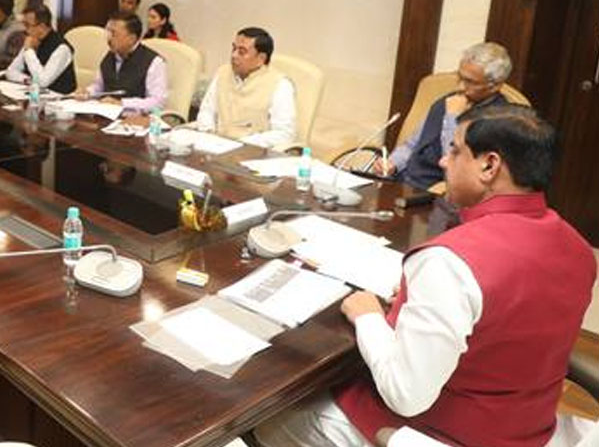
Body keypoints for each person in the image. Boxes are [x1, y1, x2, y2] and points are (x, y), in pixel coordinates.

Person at [254, 105, 596, 447]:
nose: (444, 161)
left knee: (268, 416)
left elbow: (405, 395)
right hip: (529, 429)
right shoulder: (579, 249)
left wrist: (368, 316)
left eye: (455, 150)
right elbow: (510, 322)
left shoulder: (450, 262)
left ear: (489, 165)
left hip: (445, 433)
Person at [375, 42, 513, 189]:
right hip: (402, 180)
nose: (460, 87)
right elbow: (412, 144)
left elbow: (458, 169)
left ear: (495, 85)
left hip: (434, 191)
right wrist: (392, 163)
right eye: (460, 77)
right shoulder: (448, 100)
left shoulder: (498, 119)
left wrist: (452, 118)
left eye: (470, 82)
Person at [195, 27, 296, 148]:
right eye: (234, 49)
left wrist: (241, 144)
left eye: (242, 52)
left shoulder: (280, 84)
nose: (234, 55)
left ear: (261, 59)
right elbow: (207, 111)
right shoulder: (223, 72)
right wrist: (208, 132)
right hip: (216, 146)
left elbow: (284, 134)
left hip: (253, 151)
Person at [79, 13, 167, 113]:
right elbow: (99, 86)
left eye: (114, 34)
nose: (109, 38)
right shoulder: (110, 56)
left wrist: (122, 103)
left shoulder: (154, 62)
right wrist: (87, 92)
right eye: (108, 32)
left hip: (135, 118)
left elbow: (157, 102)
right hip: (104, 114)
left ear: (131, 39)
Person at [5, 5, 76, 94]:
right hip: (35, 95)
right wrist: (27, 80)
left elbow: (43, 82)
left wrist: (29, 51)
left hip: (57, 98)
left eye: (27, 25)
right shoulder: (32, 40)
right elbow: (10, 71)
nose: (24, 30)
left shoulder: (62, 48)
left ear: (42, 27)